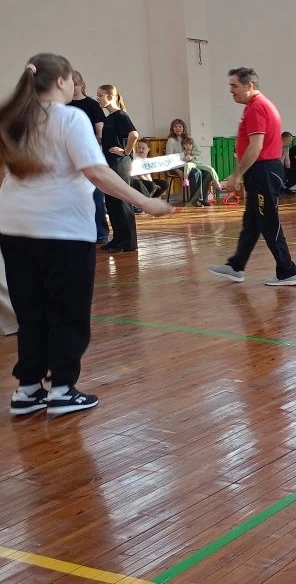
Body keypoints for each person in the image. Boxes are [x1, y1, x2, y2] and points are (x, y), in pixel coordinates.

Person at [0, 53, 173, 416]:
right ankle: (63, 389)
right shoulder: (69, 118)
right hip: (62, 230)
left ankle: (28, 390)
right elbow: (96, 172)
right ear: (61, 81)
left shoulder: (14, 118)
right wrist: (145, 201)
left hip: (15, 229)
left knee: (30, 311)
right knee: (67, 309)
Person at [209, 67, 296, 286]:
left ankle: (288, 271)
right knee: (251, 222)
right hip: (261, 172)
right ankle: (236, 267)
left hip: (264, 172)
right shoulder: (254, 106)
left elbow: (256, 146)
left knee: (268, 221)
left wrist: (236, 175)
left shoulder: (257, 107)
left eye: (234, 86)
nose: (231, 90)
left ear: (249, 86)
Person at [96, 84, 140, 253]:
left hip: (119, 163)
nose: (98, 98)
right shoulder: (109, 118)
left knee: (121, 200)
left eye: (100, 95)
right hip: (110, 162)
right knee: (112, 201)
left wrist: (126, 151)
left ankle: (129, 241)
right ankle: (118, 239)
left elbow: (134, 134)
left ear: (110, 96)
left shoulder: (121, 115)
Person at [67, 71, 108, 244]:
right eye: (70, 85)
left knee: (96, 193)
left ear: (82, 84)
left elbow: (100, 133)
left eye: (75, 84)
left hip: (88, 152)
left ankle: (101, 231)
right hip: (68, 155)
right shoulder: (64, 104)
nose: (73, 88)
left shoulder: (92, 104)